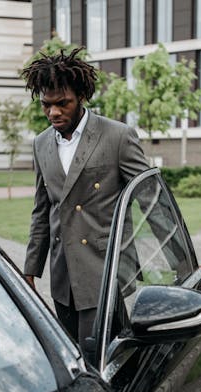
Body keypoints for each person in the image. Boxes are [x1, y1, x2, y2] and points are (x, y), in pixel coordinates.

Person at [20, 48, 150, 363]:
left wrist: (185, 264)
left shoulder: (117, 137)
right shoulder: (40, 144)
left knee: (105, 363)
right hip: (63, 277)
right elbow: (42, 210)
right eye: (46, 105)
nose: (53, 113)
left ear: (81, 97)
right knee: (71, 360)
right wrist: (30, 271)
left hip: (105, 273)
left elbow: (150, 197)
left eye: (62, 103)